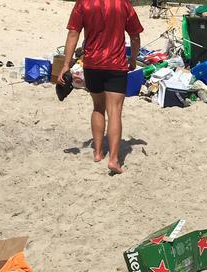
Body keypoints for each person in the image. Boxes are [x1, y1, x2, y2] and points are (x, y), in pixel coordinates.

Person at [58, 0, 144, 174]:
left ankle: (98, 153)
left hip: (92, 64)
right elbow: (135, 36)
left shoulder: (84, 3)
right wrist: (133, 59)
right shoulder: (123, 4)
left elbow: (73, 33)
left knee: (98, 107)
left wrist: (66, 65)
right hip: (116, 64)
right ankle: (113, 159)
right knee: (114, 111)